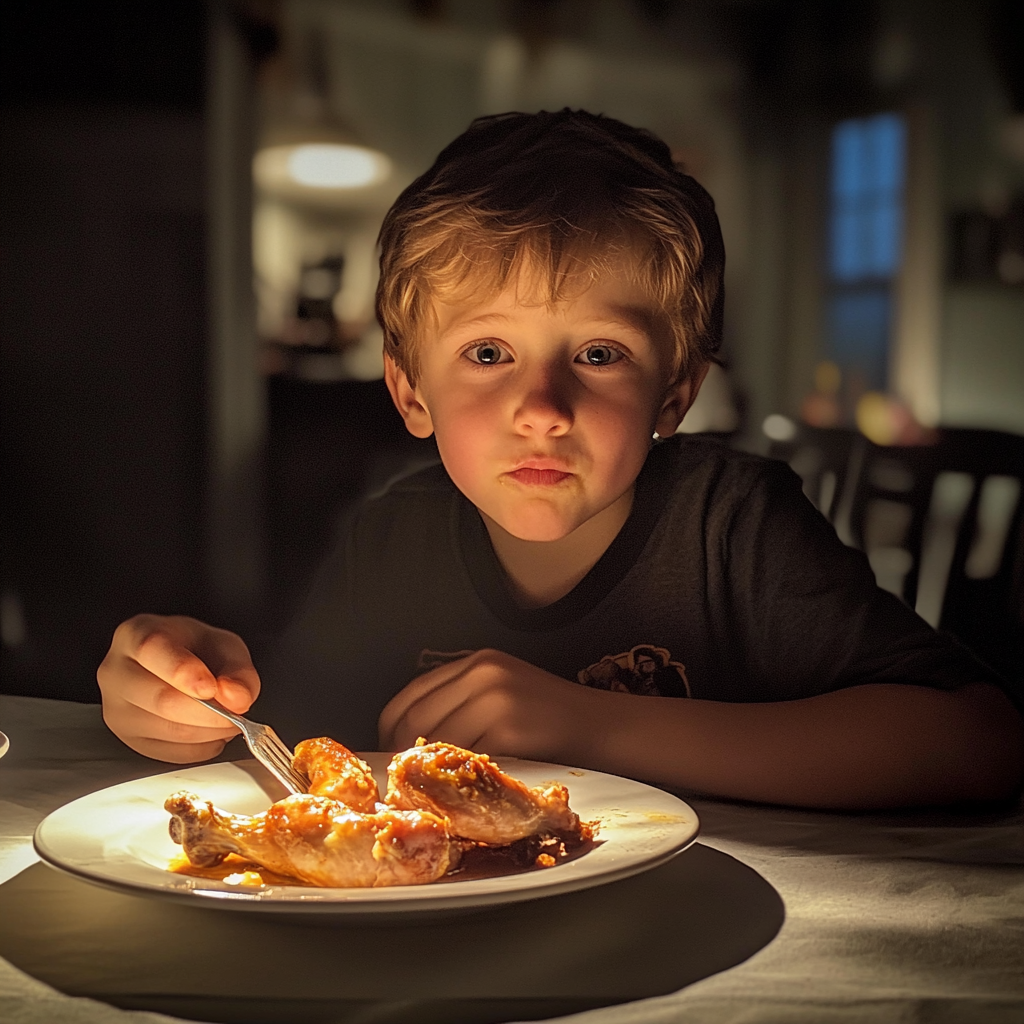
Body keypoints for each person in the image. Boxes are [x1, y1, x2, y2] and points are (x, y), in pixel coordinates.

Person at [98, 110, 1023, 810]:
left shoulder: (733, 526)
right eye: (489, 354)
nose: (541, 410)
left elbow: (979, 741)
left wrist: (591, 724)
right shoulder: (396, 535)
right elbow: (295, 744)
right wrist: (190, 704)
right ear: (411, 392)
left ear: (677, 394)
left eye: (599, 354)